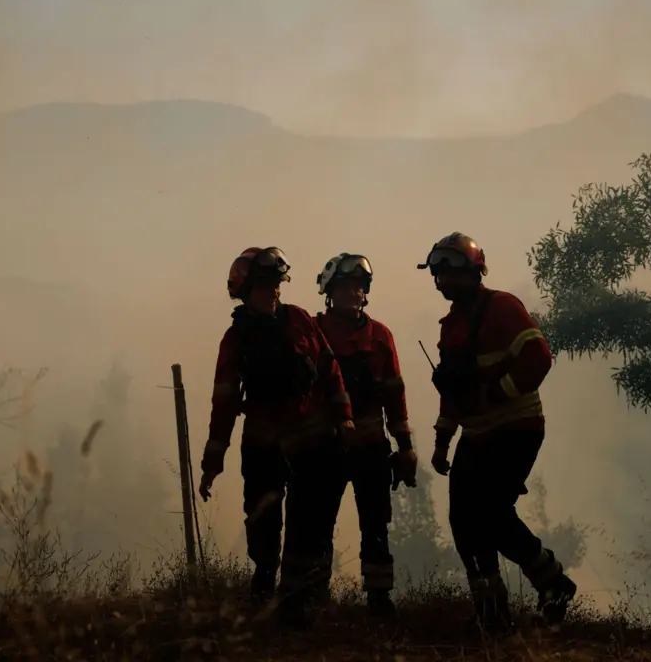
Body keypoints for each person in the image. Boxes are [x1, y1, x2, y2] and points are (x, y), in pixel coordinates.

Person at [417, 232, 577, 633]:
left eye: (448, 272)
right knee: (463, 520)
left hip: (516, 429)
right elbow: (454, 393)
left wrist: (494, 393)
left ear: (472, 270)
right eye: (437, 274)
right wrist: (441, 441)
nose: (441, 281)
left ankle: (553, 582)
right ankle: (491, 611)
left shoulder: (502, 307)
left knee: (488, 514)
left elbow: (539, 358)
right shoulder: (450, 327)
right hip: (476, 435)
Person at [198, 246, 354, 626]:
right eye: (265, 285)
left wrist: (345, 420)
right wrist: (211, 463)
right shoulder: (235, 340)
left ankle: (297, 604)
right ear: (246, 290)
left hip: (309, 444)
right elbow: (223, 402)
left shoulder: (300, 321)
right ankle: (263, 588)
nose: (274, 291)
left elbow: (331, 372)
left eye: (277, 284)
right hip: (261, 445)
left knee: (305, 524)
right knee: (261, 520)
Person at [313, 253, 417, 617]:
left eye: (358, 287)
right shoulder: (315, 333)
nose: (352, 294)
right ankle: (314, 595)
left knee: (375, 524)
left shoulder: (380, 337)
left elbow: (395, 395)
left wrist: (405, 447)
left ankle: (378, 598)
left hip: (372, 447)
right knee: (317, 521)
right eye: (344, 287)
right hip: (325, 446)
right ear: (330, 291)